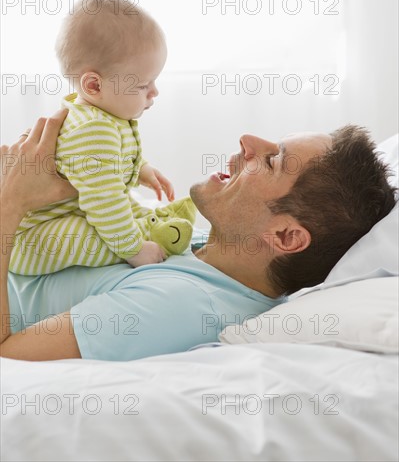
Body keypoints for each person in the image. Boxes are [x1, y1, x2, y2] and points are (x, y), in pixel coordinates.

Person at [0, 112, 396, 361]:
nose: (247, 140)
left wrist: (11, 201)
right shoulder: (204, 246)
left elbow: (8, 355)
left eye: (272, 160)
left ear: (287, 237)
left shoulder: (178, 306)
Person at [9, 0, 196, 276]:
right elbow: (104, 200)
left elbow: (111, 163)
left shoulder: (103, 116)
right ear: (94, 86)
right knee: (92, 226)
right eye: (144, 84)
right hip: (31, 242)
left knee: (125, 205)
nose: (154, 92)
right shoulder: (92, 128)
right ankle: (150, 237)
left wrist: (141, 168)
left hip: (71, 211)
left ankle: (150, 223)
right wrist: (134, 250)